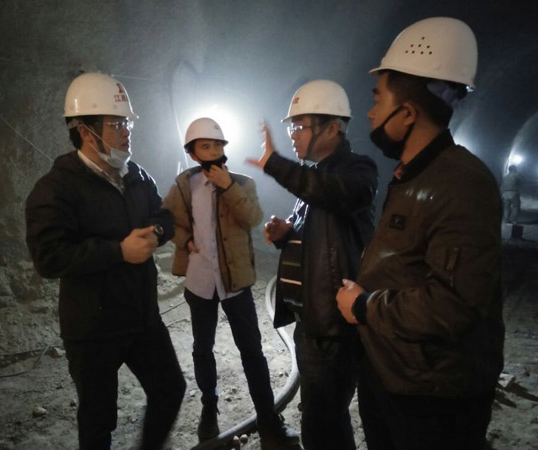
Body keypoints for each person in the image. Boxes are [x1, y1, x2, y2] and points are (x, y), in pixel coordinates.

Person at [335, 17, 505, 450]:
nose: (370, 111)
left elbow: (454, 304)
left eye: (378, 98)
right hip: (397, 375)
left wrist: (365, 306)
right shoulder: (414, 175)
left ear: (407, 112)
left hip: (432, 399)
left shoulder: (462, 183)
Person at [25, 72, 186, 450]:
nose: (127, 132)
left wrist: (157, 233)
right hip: (93, 327)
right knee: (98, 420)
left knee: (170, 389)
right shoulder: (56, 189)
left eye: (128, 123)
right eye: (117, 124)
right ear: (86, 131)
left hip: (140, 316)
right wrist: (118, 251)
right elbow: (49, 257)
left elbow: (164, 215)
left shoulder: (136, 176)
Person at [246, 80, 378, 450]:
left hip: (334, 327)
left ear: (332, 127)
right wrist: (288, 233)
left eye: (300, 126)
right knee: (325, 417)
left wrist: (276, 165)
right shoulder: (316, 176)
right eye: (291, 126)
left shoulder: (357, 170)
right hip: (312, 323)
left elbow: (335, 194)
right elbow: (320, 230)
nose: (292, 134)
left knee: (320, 424)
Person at [162, 117, 299, 449]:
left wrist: (228, 187)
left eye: (218, 145)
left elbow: (252, 217)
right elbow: (167, 219)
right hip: (199, 281)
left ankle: (268, 419)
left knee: (252, 350)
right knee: (202, 347)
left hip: (235, 282)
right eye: (205, 146)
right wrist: (185, 240)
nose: (213, 151)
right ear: (193, 153)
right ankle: (209, 406)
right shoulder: (184, 185)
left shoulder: (242, 183)